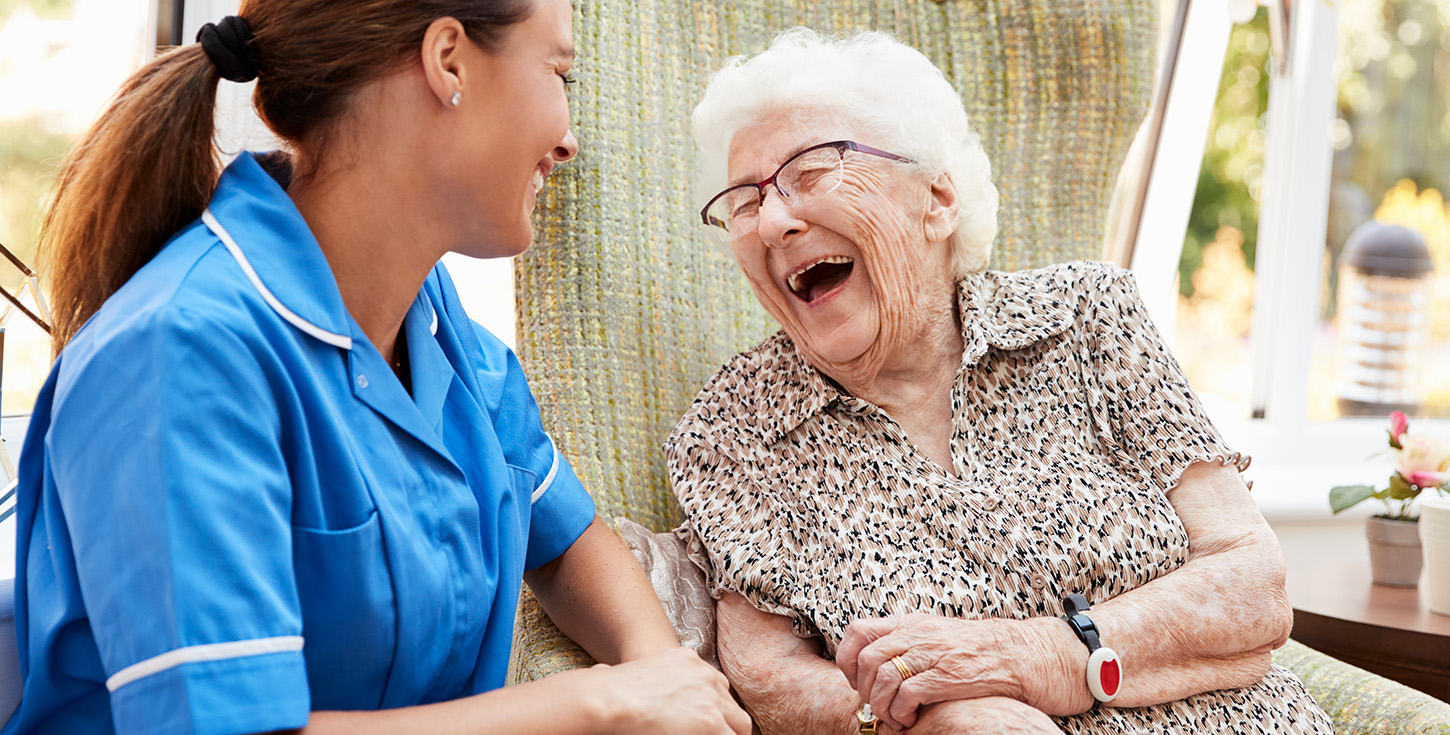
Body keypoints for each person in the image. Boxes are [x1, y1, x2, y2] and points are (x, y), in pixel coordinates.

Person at [5, 2, 750, 734]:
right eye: (560, 73)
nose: (568, 141)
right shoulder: (178, 355)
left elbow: (563, 539)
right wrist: (607, 702)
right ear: (448, 60)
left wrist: (663, 671)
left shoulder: (431, 321)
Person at [668, 28, 1333, 735]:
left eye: (811, 172)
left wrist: (1035, 658)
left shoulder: (1086, 315)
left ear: (938, 199)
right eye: (744, 201)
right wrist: (945, 718)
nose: (773, 221)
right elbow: (770, 680)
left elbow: (1252, 582)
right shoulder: (735, 429)